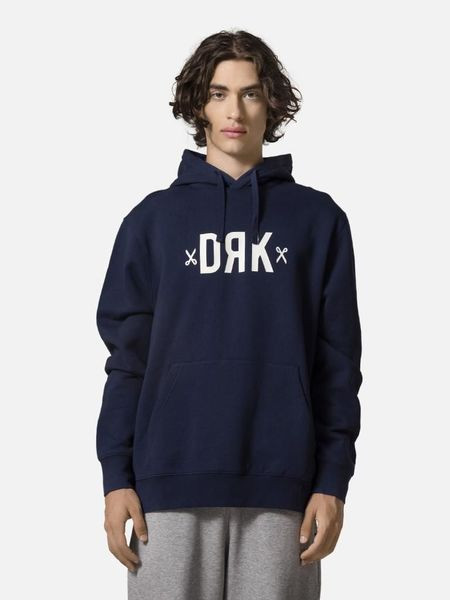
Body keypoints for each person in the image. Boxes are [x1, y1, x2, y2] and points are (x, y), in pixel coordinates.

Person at [95, 29, 363, 600]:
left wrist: (332, 481)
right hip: (166, 488)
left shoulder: (318, 222)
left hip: (284, 490)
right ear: (199, 105)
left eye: (250, 93)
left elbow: (338, 366)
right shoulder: (151, 222)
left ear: (272, 104)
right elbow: (126, 361)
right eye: (218, 94)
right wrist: (116, 477)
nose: (234, 111)